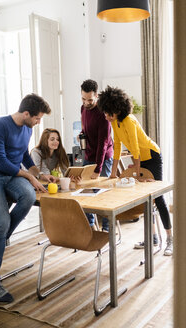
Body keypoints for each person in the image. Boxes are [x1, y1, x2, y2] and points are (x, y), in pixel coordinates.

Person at [0, 94, 52, 303]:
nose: (39, 123)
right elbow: (0, 162)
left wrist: (38, 174)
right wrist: (28, 176)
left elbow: (24, 156)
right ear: (26, 113)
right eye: (37, 118)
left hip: (11, 176)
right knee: (1, 223)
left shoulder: (27, 128)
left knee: (28, 196)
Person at [97, 86, 173, 256]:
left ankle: (169, 239)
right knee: (143, 198)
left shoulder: (129, 120)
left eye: (109, 113)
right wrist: (113, 173)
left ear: (117, 109)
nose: (106, 116)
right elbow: (117, 146)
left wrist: (137, 171)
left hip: (152, 156)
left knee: (157, 196)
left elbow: (136, 148)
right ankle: (152, 237)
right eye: (105, 112)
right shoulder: (114, 123)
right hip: (140, 159)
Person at [80, 79, 114, 231]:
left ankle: (107, 230)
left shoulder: (103, 113)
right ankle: (91, 228)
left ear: (97, 96)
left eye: (90, 100)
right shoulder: (83, 108)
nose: (86, 103)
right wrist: (82, 135)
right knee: (85, 193)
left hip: (103, 159)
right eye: (83, 99)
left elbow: (103, 143)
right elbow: (85, 129)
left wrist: (98, 169)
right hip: (89, 155)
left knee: (103, 195)